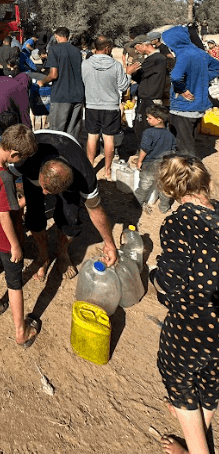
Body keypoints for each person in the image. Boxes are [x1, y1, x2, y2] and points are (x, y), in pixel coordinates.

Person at [153, 154, 219, 454]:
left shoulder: (178, 224)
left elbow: (171, 285)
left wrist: (155, 277)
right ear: (205, 181)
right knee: (209, 383)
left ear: (170, 191)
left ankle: (195, 448)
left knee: (180, 379)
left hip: (194, 324)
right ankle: (198, 433)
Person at [13, 129, 118, 280]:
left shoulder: (85, 175)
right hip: (37, 156)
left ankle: (62, 253)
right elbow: (2, 176)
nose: (44, 192)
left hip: (69, 159)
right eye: (43, 186)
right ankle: (43, 256)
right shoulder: (25, 159)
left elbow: (95, 209)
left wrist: (110, 243)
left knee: (69, 217)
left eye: (48, 191)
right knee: (34, 215)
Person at [0, 124, 41, 346]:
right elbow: (5, 215)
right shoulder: (4, 178)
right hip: (5, 240)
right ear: (13, 154)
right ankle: (21, 332)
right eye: (19, 158)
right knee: (14, 283)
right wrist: (15, 245)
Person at [162, 26, 219, 155]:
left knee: (183, 148)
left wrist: (181, 89)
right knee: (190, 140)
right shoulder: (200, 53)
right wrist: (203, 78)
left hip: (183, 108)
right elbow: (217, 67)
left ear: (174, 41)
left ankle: (188, 171)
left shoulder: (184, 55)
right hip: (198, 106)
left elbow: (176, 76)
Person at [81, 35, 130, 179]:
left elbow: (83, 82)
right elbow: (123, 86)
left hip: (92, 105)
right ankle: (107, 170)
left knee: (91, 137)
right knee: (109, 139)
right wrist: (128, 74)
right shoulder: (116, 65)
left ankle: (90, 167)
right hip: (111, 107)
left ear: (95, 47)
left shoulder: (85, 64)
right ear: (107, 48)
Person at [37, 27, 84, 140]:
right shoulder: (77, 51)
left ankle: (57, 156)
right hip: (78, 95)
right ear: (68, 36)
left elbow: (53, 74)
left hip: (62, 95)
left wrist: (42, 82)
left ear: (56, 36)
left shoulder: (54, 50)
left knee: (57, 133)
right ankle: (70, 156)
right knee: (73, 134)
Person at [134, 105, 176, 214]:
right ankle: (164, 207)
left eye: (149, 118)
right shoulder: (170, 135)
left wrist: (139, 161)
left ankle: (138, 203)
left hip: (150, 164)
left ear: (158, 120)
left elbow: (145, 149)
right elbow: (173, 150)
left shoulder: (149, 132)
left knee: (144, 185)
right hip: (165, 164)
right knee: (164, 187)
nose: (147, 119)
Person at [125, 34, 167, 143]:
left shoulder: (156, 59)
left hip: (150, 97)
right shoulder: (156, 58)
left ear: (142, 45)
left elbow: (139, 75)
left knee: (145, 127)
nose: (136, 50)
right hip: (148, 96)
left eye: (136, 47)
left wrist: (131, 71)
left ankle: (147, 153)